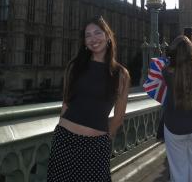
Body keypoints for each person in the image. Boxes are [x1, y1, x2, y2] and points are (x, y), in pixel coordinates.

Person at [46, 16, 130, 182]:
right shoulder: (74, 66)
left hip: (95, 147)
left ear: (108, 37)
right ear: (84, 42)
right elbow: (66, 103)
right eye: (88, 35)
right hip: (64, 142)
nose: (93, 39)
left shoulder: (121, 74)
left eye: (97, 33)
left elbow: (119, 117)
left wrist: (102, 140)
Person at [162, 35, 192, 182]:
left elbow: (165, 60)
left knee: (178, 169)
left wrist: (171, 51)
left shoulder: (167, 72)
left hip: (174, 126)